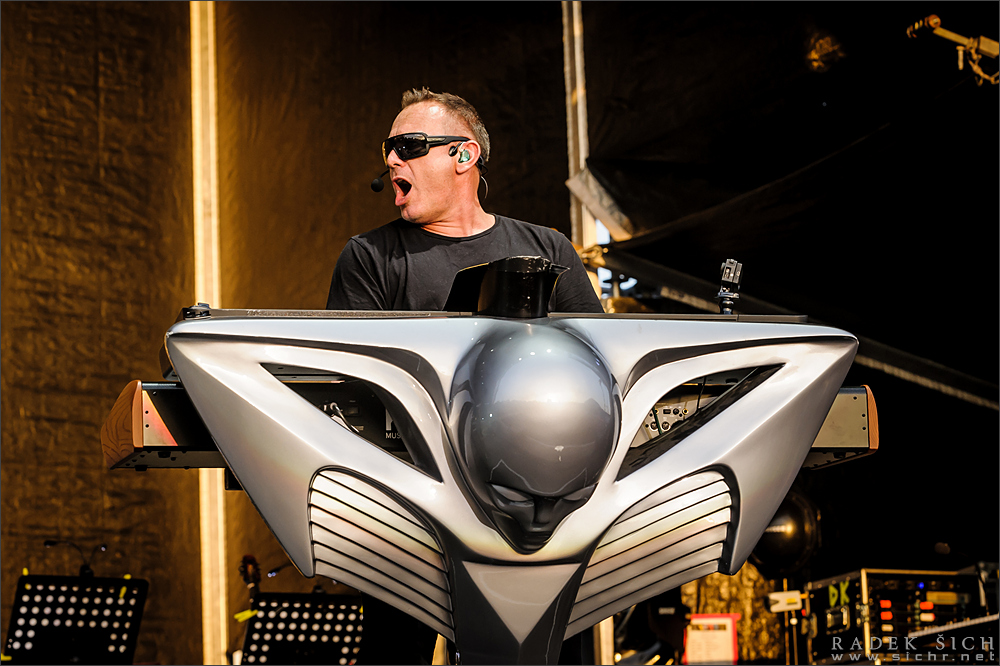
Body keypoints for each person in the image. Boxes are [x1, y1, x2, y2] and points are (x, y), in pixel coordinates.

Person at [325, 88, 602, 664]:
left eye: (408, 146)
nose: (391, 160)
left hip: (539, 512)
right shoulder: (369, 258)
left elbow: (600, 369)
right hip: (411, 513)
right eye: (388, 149)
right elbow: (354, 391)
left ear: (464, 155)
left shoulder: (548, 248)